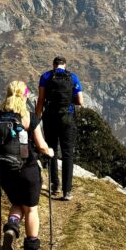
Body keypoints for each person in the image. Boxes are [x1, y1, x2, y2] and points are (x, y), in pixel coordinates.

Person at [0, 80, 55, 250]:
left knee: (17, 203)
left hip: (5, 171)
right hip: (27, 170)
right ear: (25, 95)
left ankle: (11, 227)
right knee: (31, 209)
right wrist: (50, 151)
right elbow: (41, 146)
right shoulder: (29, 117)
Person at [36, 56, 84, 201]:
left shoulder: (45, 77)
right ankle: (67, 191)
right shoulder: (73, 77)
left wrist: (37, 118)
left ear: (54, 65)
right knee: (67, 153)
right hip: (67, 118)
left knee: (51, 150)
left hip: (50, 118)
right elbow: (80, 101)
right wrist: (69, 100)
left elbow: (41, 99)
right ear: (65, 65)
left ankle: (54, 185)